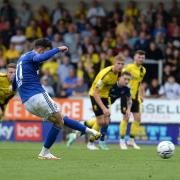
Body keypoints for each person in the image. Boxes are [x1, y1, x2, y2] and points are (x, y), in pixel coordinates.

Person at [13, 38, 100, 160]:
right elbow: (39, 58)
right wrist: (57, 49)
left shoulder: (21, 59)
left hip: (27, 102)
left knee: (60, 119)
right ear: (41, 49)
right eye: (45, 51)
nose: (44, 54)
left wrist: (13, 89)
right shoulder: (33, 54)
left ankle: (89, 131)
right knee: (60, 121)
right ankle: (45, 152)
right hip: (37, 95)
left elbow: (14, 82)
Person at [67, 54, 125, 150]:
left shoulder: (119, 73)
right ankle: (90, 144)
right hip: (95, 95)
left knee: (106, 122)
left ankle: (82, 126)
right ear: (114, 63)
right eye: (118, 63)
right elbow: (95, 93)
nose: (120, 66)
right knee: (100, 121)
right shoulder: (105, 74)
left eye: (122, 64)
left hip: (106, 96)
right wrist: (103, 108)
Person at [119, 50, 146, 150]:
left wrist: (142, 94)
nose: (141, 59)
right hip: (126, 96)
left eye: (143, 57)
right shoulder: (129, 67)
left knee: (138, 118)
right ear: (135, 57)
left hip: (136, 97)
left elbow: (139, 83)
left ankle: (131, 140)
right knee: (126, 117)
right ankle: (122, 141)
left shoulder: (143, 70)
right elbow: (121, 78)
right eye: (139, 57)